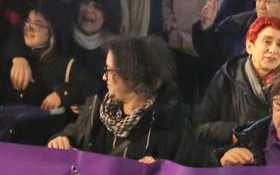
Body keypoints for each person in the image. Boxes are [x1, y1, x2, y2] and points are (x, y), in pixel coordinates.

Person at [47, 36, 187, 162]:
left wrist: (161, 170)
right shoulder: (97, 106)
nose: (104, 77)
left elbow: (184, 173)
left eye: (110, 71)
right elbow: (73, 133)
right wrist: (61, 139)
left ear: (132, 76)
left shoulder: (168, 124)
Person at [191, 16, 280, 166]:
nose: (274, 50)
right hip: (231, 165)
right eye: (267, 42)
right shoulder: (226, 78)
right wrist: (232, 131)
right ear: (250, 46)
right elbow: (199, 129)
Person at [163, 0, 228, 102]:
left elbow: (225, 12)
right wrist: (170, 27)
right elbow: (166, 1)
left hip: (204, 51)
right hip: (177, 45)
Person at [1, 0, 99, 112]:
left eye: (37, 24)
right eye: (27, 22)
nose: (28, 28)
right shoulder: (15, 54)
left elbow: (93, 86)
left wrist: (62, 94)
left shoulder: (65, 64)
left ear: (52, 30)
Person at [196, 0, 280, 72]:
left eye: (268, 1)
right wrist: (206, 26)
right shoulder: (235, 24)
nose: (260, 6)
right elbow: (209, 54)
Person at [66, 0, 123, 78]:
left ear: (109, 14)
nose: (89, 10)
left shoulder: (115, 53)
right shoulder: (61, 37)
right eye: (86, 3)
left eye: (97, 7)